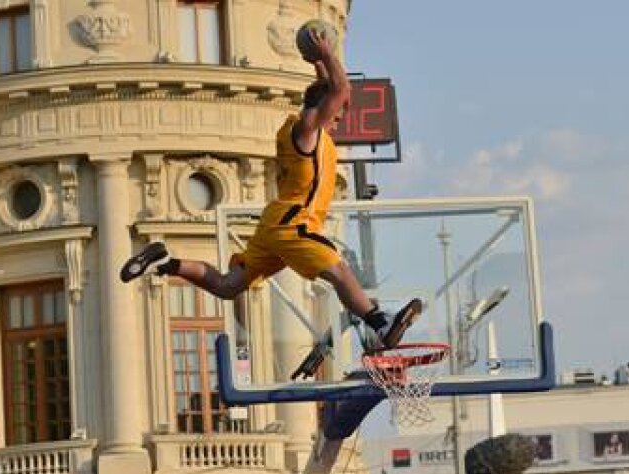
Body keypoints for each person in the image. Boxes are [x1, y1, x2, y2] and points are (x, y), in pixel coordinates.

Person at [119, 29, 421, 368]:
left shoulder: (302, 128)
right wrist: (326, 53)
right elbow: (340, 90)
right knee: (338, 271)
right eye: (335, 113)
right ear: (321, 110)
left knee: (227, 285)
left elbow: (327, 93)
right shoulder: (306, 132)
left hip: (274, 225)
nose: (338, 118)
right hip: (294, 222)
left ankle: (165, 262)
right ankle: (381, 326)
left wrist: (319, 64)